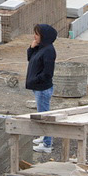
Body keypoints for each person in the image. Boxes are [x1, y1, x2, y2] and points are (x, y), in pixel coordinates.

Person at [25, 24, 57, 154]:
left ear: (44, 37)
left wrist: (35, 80)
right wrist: (31, 48)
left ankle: (47, 144)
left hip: (42, 88)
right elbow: (31, 59)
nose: (34, 36)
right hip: (38, 87)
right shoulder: (41, 48)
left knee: (44, 116)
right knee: (41, 114)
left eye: (37, 34)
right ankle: (43, 136)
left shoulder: (48, 51)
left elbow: (48, 73)